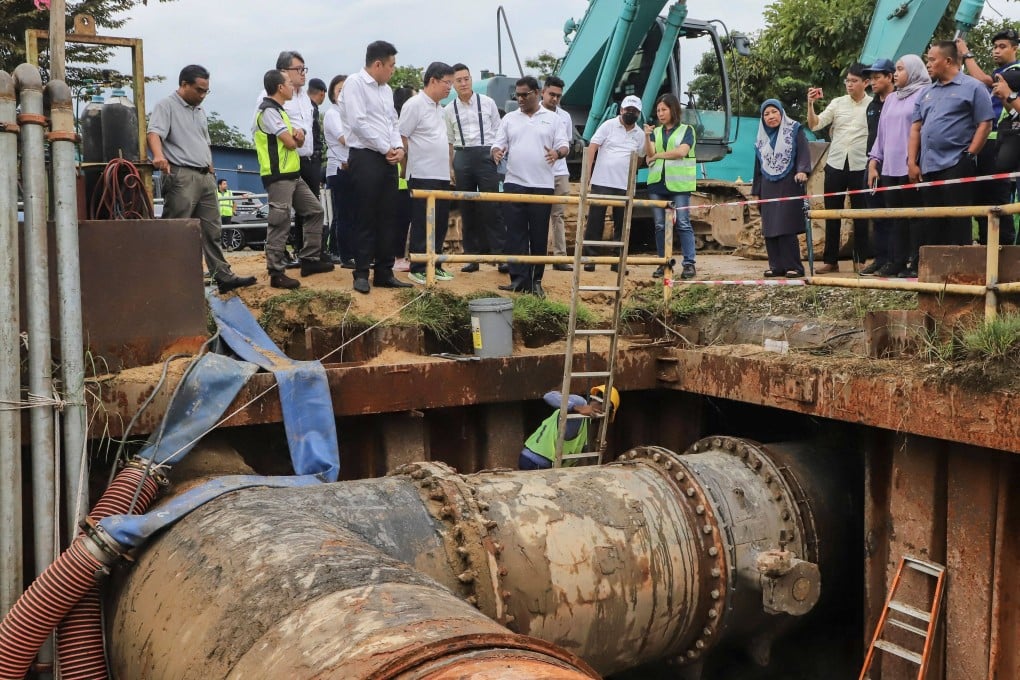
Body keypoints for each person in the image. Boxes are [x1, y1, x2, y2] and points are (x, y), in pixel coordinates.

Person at [148, 64, 255, 294]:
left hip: (205, 175)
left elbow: (204, 142)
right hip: (181, 173)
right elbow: (154, 132)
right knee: (177, 227)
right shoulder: (166, 106)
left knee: (212, 228)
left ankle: (222, 275)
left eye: (206, 90)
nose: (203, 95)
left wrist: (211, 169)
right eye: (199, 90)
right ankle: (171, 278)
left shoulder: (200, 111)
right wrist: (158, 155)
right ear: (184, 85)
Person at [340, 40, 413, 294]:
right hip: (365, 156)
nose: (393, 70)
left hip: (388, 159)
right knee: (365, 215)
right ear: (378, 63)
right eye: (391, 65)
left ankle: (384, 271)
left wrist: (398, 149)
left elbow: (393, 122)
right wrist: (386, 148)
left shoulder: (386, 90)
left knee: (388, 216)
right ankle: (361, 273)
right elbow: (358, 123)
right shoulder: (354, 84)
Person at [908, 40, 994, 248]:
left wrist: (970, 155)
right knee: (933, 222)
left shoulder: (973, 87)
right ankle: (937, 274)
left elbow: (985, 123)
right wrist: (912, 162)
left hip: (956, 163)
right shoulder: (926, 92)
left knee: (958, 220)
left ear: (947, 61)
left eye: (931, 60)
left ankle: (960, 274)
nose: (927, 64)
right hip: (928, 166)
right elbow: (916, 128)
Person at [491, 76, 570, 298]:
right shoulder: (509, 119)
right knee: (515, 234)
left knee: (537, 235)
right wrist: (495, 152)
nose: (521, 99)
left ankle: (536, 280)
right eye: (518, 95)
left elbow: (564, 145)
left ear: (537, 93)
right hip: (514, 183)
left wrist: (558, 153)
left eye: (525, 95)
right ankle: (518, 279)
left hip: (542, 185)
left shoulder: (553, 120)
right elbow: (498, 143)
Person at [253, 68, 332, 289]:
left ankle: (309, 258)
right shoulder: (268, 111)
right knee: (280, 222)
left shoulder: (280, 111)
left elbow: (297, 137)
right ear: (279, 87)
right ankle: (276, 272)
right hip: (278, 176)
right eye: (288, 82)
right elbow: (290, 142)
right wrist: (297, 136)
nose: (293, 86)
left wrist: (300, 134)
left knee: (315, 210)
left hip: (292, 175)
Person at [868, 55, 930, 278]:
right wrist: (874, 162)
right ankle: (897, 261)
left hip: (911, 167)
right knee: (895, 217)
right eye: (895, 69)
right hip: (889, 169)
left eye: (901, 69)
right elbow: (881, 135)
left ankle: (915, 262)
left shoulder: (924, 93)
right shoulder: (892, 98)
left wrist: (914, 162)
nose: (896, 73)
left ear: (914, 71)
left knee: (915, 217)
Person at [807, 63, 872, 273]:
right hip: (835, 164)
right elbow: (815, 124)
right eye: (847, 81)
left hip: (861, 164)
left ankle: (860, 259)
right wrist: (810, 105)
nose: (849, 85)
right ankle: (830, 260)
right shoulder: (837, 103)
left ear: (866, 82)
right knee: (832, 213)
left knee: (861, 214)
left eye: (854, 81)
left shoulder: (873, 105)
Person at [959, 28, 1020, 246]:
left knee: (997, 197)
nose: (996, 51)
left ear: (1015, 48)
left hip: (1002, 140)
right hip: (987, 140)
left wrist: (966, 54)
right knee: (982, 196)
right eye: (994, 47)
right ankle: (986, 244)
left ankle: (1002, 247)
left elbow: (983, 79)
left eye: (1002, 47)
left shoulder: (1014, 71)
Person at [445, 64, 505, 273]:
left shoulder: (488, 103)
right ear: (453, 83)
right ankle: (472, 257)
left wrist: (497, 151)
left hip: (485, 154)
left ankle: (500, 255)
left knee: (492, 206)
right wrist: (451, 167)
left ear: (471, 79)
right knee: (467, 208)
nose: (463, 83)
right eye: (459, 80)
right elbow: (449, 141)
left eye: (466, 79)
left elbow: (499, 131)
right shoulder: (448, 109)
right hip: (462, 156)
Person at [400, 62, 456, 285]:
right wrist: (406, 166)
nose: (449, 88)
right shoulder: (414, 105)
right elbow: (402, 135)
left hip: (441, 174)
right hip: (422, 173)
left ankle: (436, 263)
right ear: (433, 80)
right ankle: (418, 266)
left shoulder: (440, 109)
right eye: (447, 83)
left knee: (440, 221)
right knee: (423, 221)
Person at [579, 95, 647, 274]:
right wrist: (587, 174)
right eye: (627, 110)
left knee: (622, 224)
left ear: (639, 113)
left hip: (624, 185)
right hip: (601, 181)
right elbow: (593, 146)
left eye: (634, 111)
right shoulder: (608, 125)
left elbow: (640, 157)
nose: (630, 113)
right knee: (594, 222)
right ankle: (590, 258)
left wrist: (631, 174)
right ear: (621, 110)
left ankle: (618, 261)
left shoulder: (640, 134)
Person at [752, 99, 811, 278]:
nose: (771, 117)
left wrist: (802, 170)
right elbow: (758, 167)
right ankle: (776, 266)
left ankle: (795, 266)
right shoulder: (761, 139)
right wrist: (756, 192)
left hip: (789, 182)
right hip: (768, 186)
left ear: (781, 112)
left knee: (785, 225)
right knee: (770, 227)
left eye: (774, 112)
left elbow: (803, 151)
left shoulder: (794, 129)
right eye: (766, 114)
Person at [644, 93, 697, 280]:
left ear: (673, 110)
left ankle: (689, 264)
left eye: (664, 109)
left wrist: (657, 156)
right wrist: (647, 136)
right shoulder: (656, 132)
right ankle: (663, 263)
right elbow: (648, 154)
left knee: (682, 223)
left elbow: (681, 152)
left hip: (680, 185)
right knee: (659, 225)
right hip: (658, 184)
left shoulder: (687, 130)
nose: (660, 113)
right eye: (658, 110)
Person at [518, 385, 619, 470]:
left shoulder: (586, 424)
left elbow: (583, 453)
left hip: (546, 466)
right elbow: (549, 396)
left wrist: (597, 448)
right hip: (534, 461)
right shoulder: (580, 403)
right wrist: (577, 408)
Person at [859, 59, 896, 276]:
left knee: (894, 215)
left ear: (890, 77)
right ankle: (880, 258)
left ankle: (895, 259)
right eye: (870, 78)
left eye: (877, 77)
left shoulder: (900, 101)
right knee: (877, 214)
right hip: (872, 162)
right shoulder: (872, 106)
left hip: (894, 165)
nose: (873, 82)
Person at [542, 75, 574, 271]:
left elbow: (567, 144)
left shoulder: (565, 117)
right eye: (551, 94)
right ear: (543, 92)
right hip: (537, 173)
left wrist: (558, 154)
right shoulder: (531, 113)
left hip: (560, 173)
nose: (554, 99)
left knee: (558, 215)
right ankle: (534, 257)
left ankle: (560, 257)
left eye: (558, 96)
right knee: (536, 215)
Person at [324, 74, 355, 268]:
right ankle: (343, 254)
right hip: (338, 168)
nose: (343, 94)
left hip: (353, 168)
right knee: (343, 213)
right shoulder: (332, 114)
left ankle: (340, 251)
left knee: (350, 212)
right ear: (333, 95)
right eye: (340, 90)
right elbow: (345, 139)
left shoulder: (351, 114)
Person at [307, 77, 330, 262]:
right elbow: (314, 137)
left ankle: (311, 251)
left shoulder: (307, 106)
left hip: (311, 161)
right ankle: (311, 252)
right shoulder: (310, 108)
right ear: (322, 93)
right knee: (312, 209)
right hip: (310, 162)